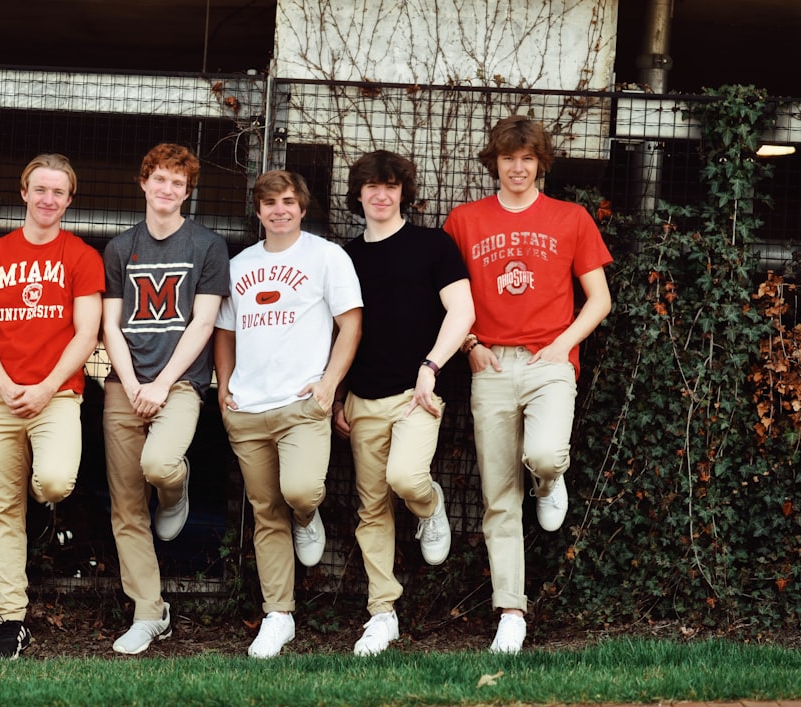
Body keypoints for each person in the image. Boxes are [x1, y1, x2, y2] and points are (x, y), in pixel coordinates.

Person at [443, 115, 612, 654]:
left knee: (543, 454)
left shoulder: (571, 217)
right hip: (490, 366)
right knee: (498, 497)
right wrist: (470, 346)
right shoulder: (465, 221)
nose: (518, 168)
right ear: (494, 161)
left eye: (528, 159)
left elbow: (600, 299)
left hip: (548, 362)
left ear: (541, 163)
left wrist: (563, 345)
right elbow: (448, 300)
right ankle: (511, 612)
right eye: (508, 158)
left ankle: (549, 480)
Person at [0, 153, 105, 659]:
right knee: (5, 508)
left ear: (69, 200)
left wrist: (44, 386)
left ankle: (50, 520)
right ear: (24, 193)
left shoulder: (81, 256)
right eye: (40, 189)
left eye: (58, 192)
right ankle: (11, 620)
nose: (48, 200)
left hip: (58, 395)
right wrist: (2, 383)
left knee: (54, 483)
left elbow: (88, 333)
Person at [213, 170, 363, 659]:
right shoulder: (238, 266)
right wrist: (224, 387)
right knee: (264, 512)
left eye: (287, 201)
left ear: (302, 207)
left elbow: (350, 324)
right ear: (258, 213)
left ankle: (308, 515)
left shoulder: (326, 256)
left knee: (300, 491)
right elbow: (225, 331)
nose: (279, 210)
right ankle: (279, 615)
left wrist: (328, 384)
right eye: (269, 203)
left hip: (302, 405)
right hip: (249, 408)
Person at [332, 150, 475, 656]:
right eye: (371, 186)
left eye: (390, 186)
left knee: (406, 479)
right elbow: (338, 332)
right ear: (359, 194)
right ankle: (382, 614)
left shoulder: (433, 245)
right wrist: (335, 394)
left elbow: (462, 311)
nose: (380, 194)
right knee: (371, 511)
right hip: (363, 398)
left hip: (418, 394)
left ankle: (430, 505)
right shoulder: (344, 258)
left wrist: (431, 366)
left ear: (402, 193)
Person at [101, 143, 231, 655]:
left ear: (187, 191)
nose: (167, 189)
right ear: (144, 183)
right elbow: (110, 324)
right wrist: (132, 383)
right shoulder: (118, 248)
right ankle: (150, 613)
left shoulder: (207, 245)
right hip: (123, 386)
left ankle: (176, 492)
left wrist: (159, 385)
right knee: (127, 508)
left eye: (178, 182)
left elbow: (203, 322)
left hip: (179, 384)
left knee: (159, 464)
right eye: (160, 179)